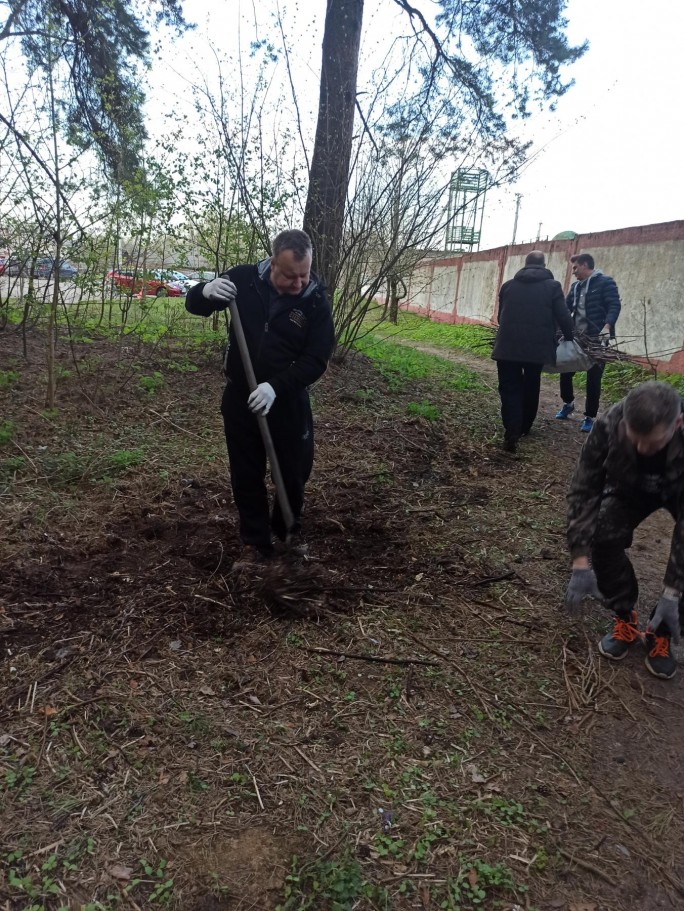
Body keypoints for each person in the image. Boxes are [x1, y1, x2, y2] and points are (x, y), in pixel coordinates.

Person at [185, 229, 335, 561]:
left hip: (287, 400)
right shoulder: (242, 280)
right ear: (272, 263)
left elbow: (317, 359)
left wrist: (275, 387)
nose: (297, 283)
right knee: (246, 471)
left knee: (294, 471)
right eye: (289, 276)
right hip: (240, 398)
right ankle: (255, 540)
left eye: (304, 275)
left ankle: (287, 532)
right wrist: (205, 292)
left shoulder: (314, 301)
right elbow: (194, 305)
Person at [564, 381, 684, 680]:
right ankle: (623, 613)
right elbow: (584, 489)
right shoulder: (609, 423)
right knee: (602, 533)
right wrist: (580, 561)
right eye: (636, 441)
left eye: (654, 444)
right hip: (629, 488)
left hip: (678, 490)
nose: (644, 449)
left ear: (678, 423)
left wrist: (673, 592)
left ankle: (663, 629)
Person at [492, 250, 575, 453]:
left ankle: (511, 428)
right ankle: (524, 427)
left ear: (525, 264)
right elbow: (564, 316)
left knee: (510, 388)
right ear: (544, 265)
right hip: (536, 350)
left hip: (507, 347)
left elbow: (500, 318)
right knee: (531, 385)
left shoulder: (508, 286)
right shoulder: (553, 287)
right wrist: (570, 338)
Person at [555, 253, 621, 433]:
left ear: (585, 265)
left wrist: (607, 327)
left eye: (575, 267)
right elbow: (565, 309)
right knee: (565, 370)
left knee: (594, 379)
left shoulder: (605, 283)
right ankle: (568, 403)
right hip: (577, 339)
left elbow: (614, 305)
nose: (574, 271)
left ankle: (590, 417)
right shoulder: (575, 287)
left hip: (597, 340)